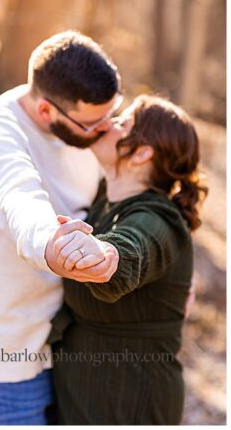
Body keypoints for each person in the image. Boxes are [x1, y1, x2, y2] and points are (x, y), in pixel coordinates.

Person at [0, 31, 125, 425]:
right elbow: (18, 198)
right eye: (94, 122)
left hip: (58, 346)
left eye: (113, 113)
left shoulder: (82, 129)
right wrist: (53, 243)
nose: (107, 128)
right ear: (45, 112)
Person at [49, 96, 205, 424]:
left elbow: (136, 244)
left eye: (123, 122)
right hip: (84, 393)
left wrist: (108, 255)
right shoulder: (107, 198)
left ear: (143, 152)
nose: (108, 123)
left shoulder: (160, 218)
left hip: (131, 401)